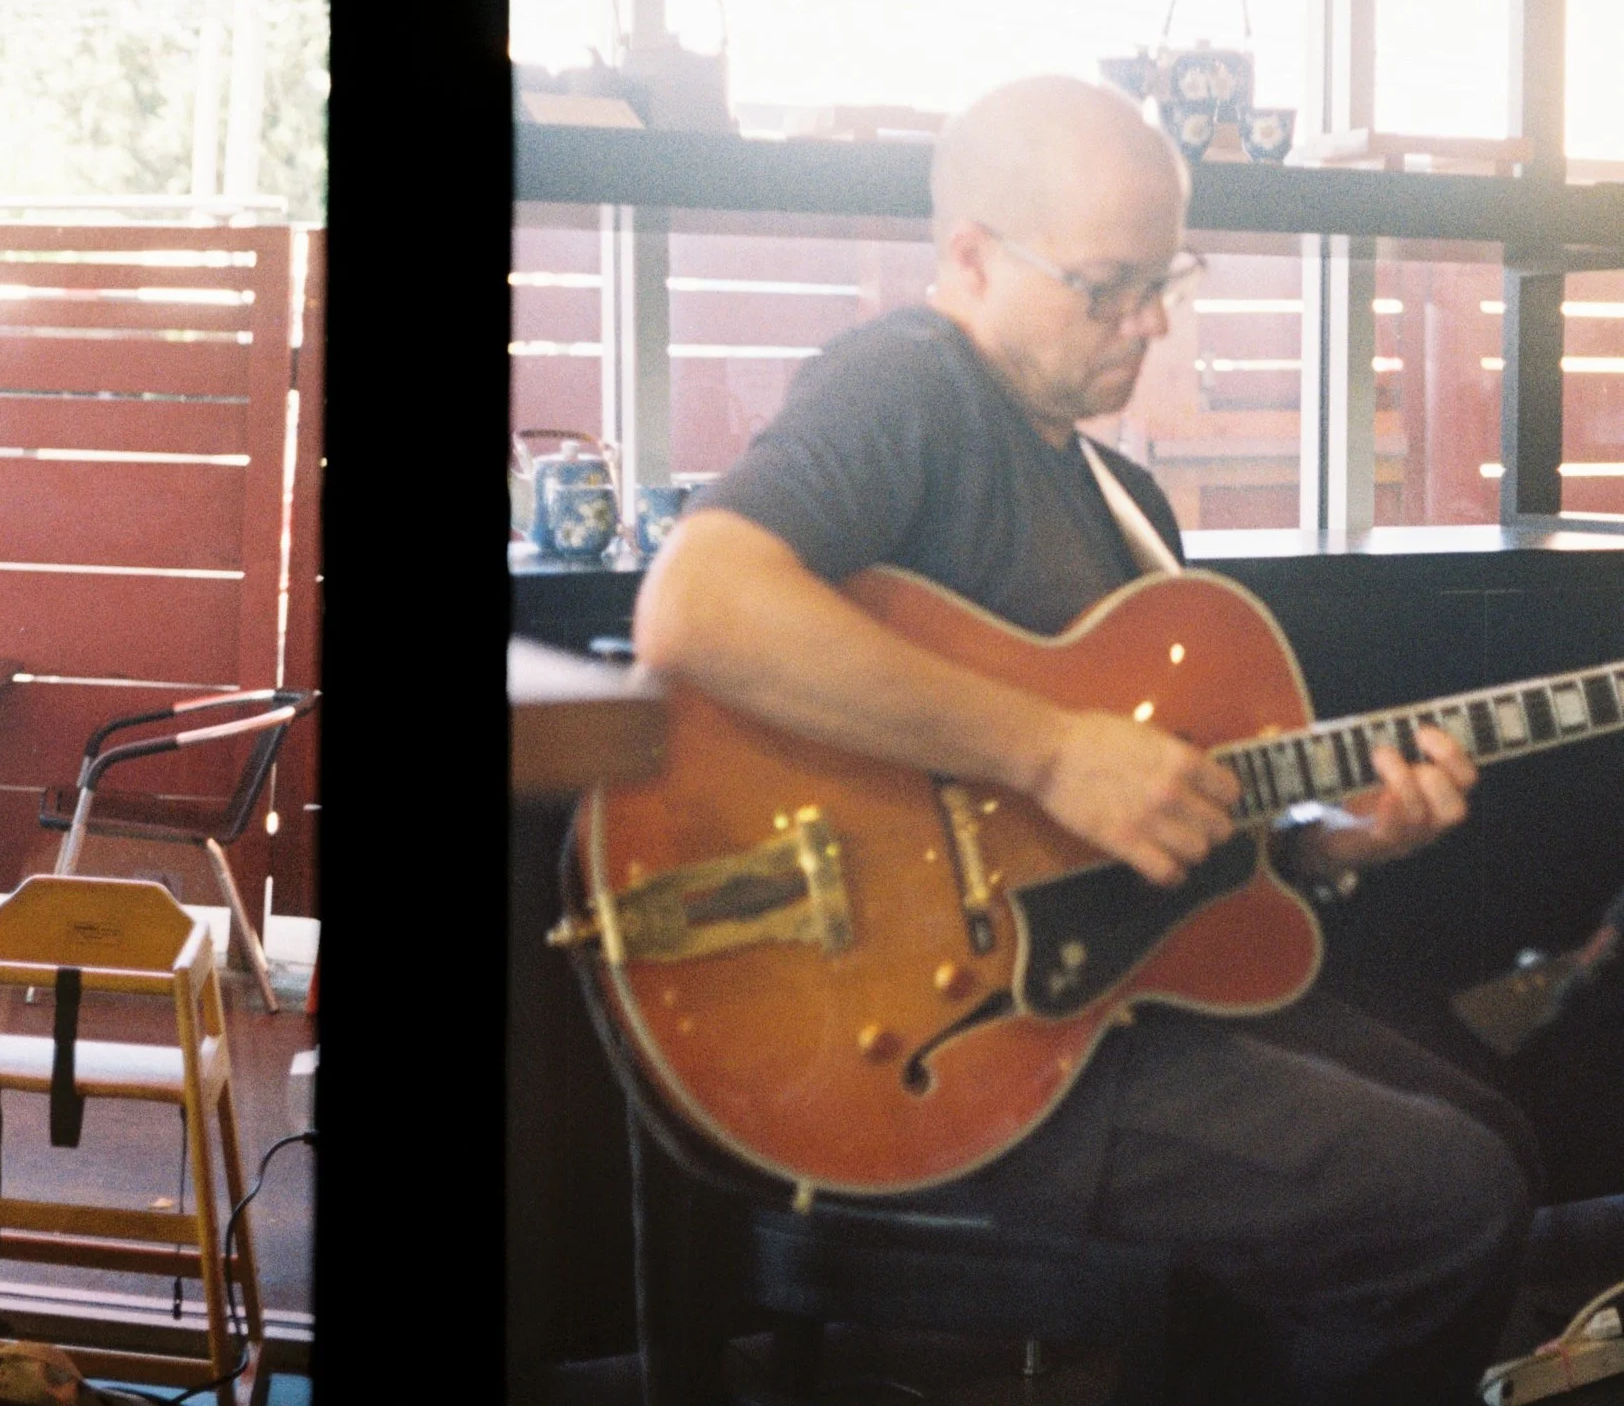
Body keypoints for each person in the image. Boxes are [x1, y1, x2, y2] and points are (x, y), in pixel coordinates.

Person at [632, 75, 1536, 1404]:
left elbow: (1180, 834)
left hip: (1109, 995)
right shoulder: (911, 385)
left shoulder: (1127, 499)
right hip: (939, 1040)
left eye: (1165, 279)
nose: (1150, 323)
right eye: (1107, 286)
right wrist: (1049, 750)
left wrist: (1339, 842)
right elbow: (694, 604)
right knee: (1444, 1200)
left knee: (1492, 1135)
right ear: (971, 258)